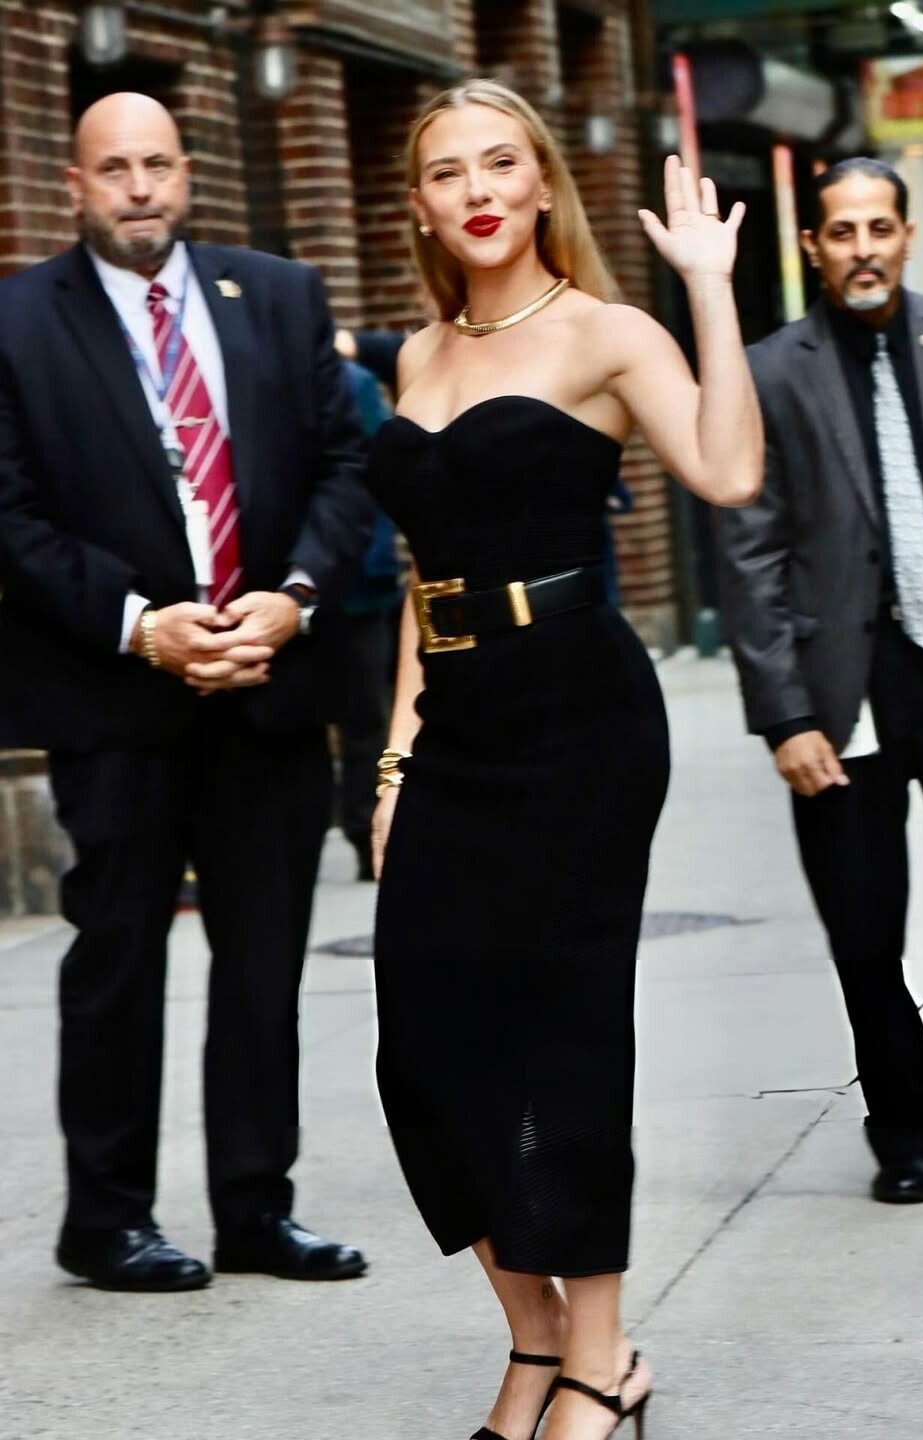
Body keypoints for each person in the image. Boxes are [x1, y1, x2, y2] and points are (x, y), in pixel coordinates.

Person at [367, 80, 762, 1440]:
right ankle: (533, 1333)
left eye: (500, 164)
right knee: (422, 1048)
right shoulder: (417, 360)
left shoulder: (606, 331)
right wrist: (395, 759)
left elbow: (727, 471)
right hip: (457, 728)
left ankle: (596, 1360)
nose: (477, 190)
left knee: (565, 1037)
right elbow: (425, 582)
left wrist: (707, 286)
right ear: (419, 205)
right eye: (447, 172)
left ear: (542, 185)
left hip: (579, 720)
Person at [0, 93, 371, 1291]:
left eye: (157, 163)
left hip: (270, 681)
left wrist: (295, 596)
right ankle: (105, 1220)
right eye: (114, 169)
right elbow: (9, 515)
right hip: (114, 700)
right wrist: (138, 626)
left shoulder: (280, 295)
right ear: (74, 185)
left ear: (188, 170)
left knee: (263, 964)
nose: (140, 188)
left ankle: (257, 1211)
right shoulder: (15, 320)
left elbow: (345, 465)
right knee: (118, 960)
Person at [715, 157, 923, 1208]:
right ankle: (907, 1128)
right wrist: (784, 713)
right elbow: (749, 552)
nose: (863, 249)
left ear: (906, 236)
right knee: (862, 927)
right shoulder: (770, 371)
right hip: (840, 688)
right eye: (842, 231)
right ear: (813, 247)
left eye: (879, 228)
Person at [338, 357, 403, 879]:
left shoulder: (354, 383)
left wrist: (379, 565)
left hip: (359, 585)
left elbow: (385, 476)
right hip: (283, 588)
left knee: (365, 717)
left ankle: (366, 835)